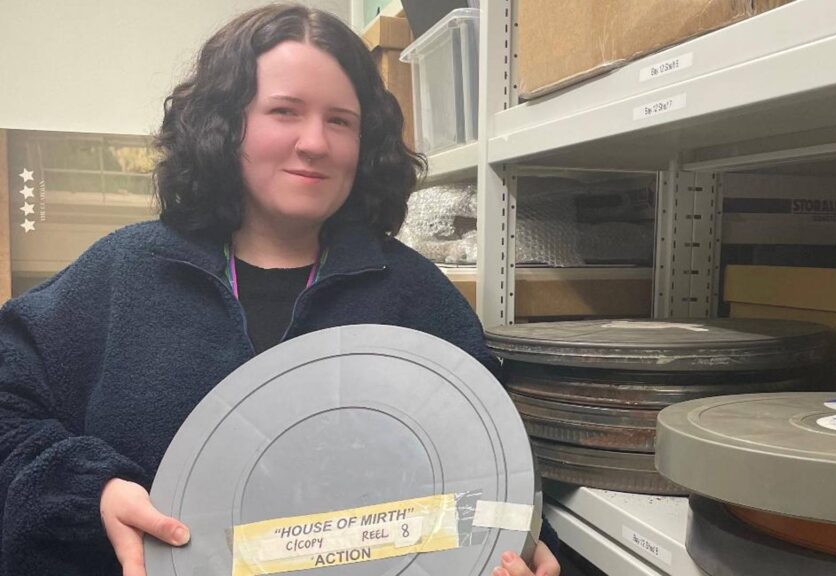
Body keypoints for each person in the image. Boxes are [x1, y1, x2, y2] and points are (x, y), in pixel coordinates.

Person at [0, 4, 560, 576]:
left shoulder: (414, 297)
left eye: (340, 120)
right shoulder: (125, 273)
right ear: (226, 125)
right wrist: (87, 491)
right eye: (284, 112)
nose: (314, 142)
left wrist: (520, 534)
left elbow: (488, 461)